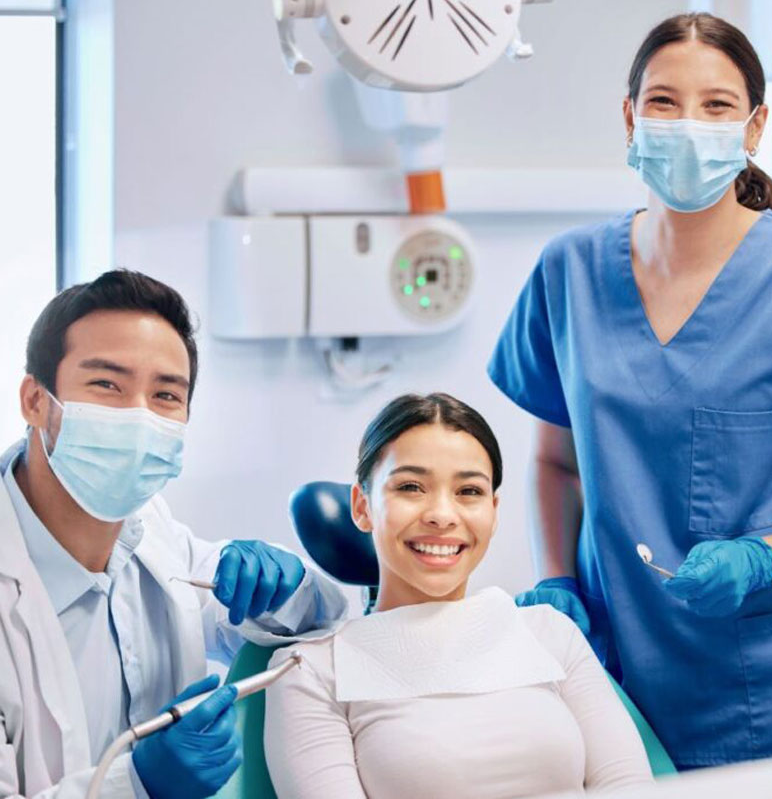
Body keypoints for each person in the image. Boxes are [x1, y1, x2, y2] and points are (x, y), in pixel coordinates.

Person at [490, 11, 772, 771]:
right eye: (664, 102)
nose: (688, 125)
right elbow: (555, 464)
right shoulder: (567, 271)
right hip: (609, 669)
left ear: (754, 127)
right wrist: (556, 577)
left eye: (717, 105)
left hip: (769, 685)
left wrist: (762, 560)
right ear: (630, 116)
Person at [0, 270, 347, 799]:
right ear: (35, 400)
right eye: (107, 384)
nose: (139, 416)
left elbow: (314, 621)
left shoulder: (150, 535)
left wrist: (292, 586)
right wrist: (136, 783)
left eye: (165, 394)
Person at [264, 393, 653, 798]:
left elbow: (629, 787)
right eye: (412, 487)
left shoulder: (550, 634)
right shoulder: (310, 672)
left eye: (469, 491)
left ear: (493, 510)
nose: (443, 515)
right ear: (362, 507)